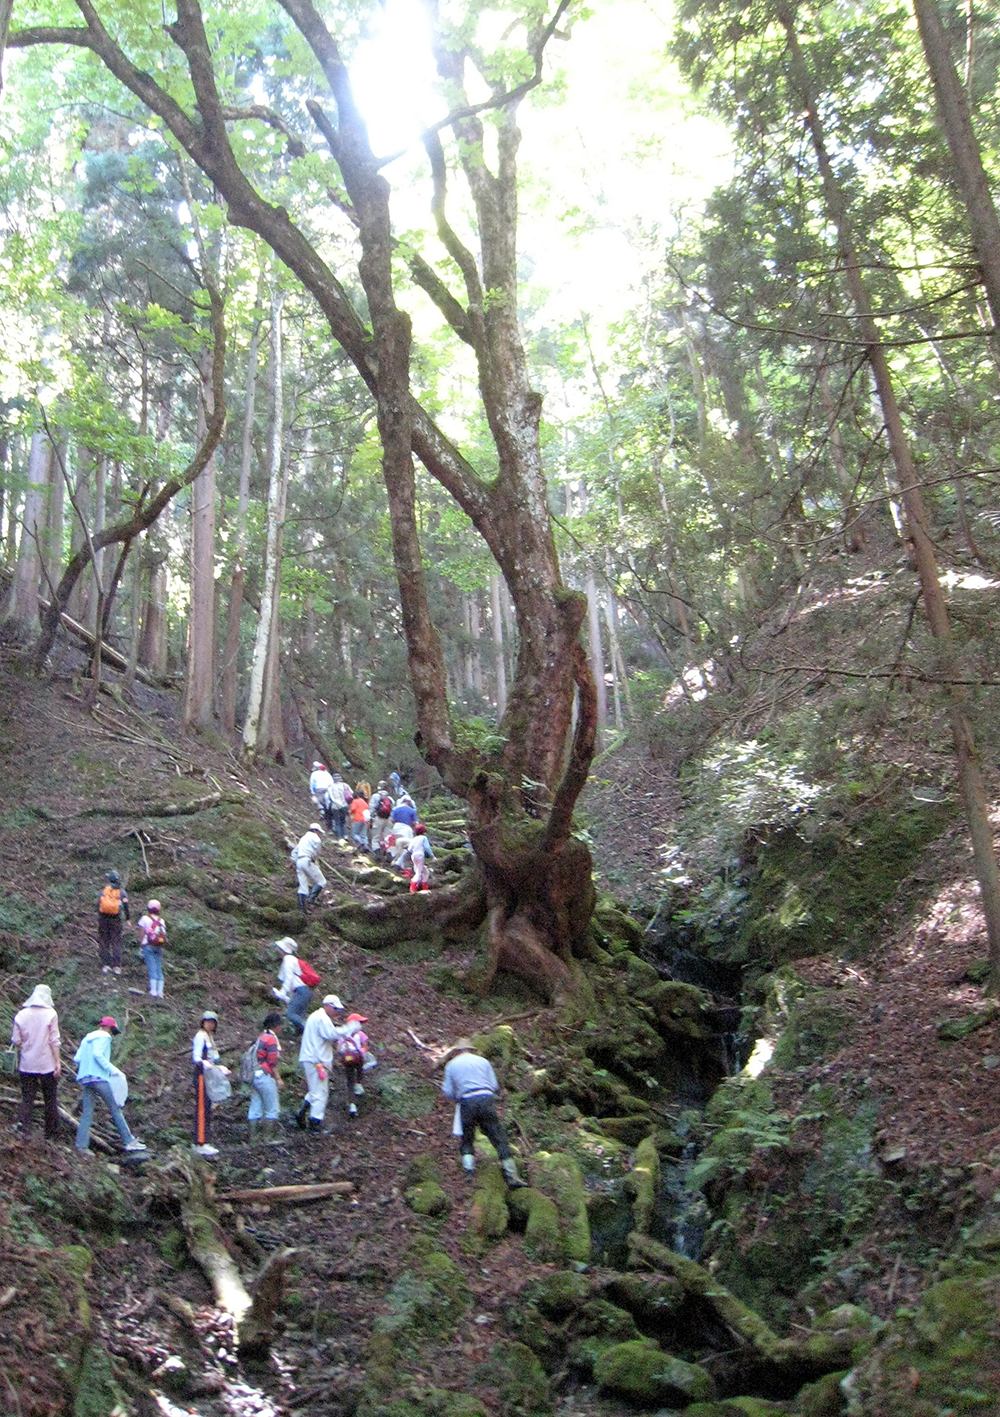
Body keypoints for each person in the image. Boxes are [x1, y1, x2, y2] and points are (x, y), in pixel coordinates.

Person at [441, 1039, 526, 1187]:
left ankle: (469, 1172)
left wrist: (458, 1097)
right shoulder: (483, 1062)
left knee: (467, 1137)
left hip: (466, 1101)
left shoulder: (451, 1065)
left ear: (457, 1051)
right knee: (498, 1136)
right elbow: (494, 1085)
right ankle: (512, 1175)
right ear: (471, 1049)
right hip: (486, 1100)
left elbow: (447, 1090)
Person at [74, 1016, 146, 1154]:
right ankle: (128, 1141)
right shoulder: (105, 1037)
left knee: (87, 1113)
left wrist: (87, 1067)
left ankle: (81, 1146)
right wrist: (113, 1070)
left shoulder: (87, 1038)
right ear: (107, 1027)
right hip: (99, 1078)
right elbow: (98, 1054)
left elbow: (77, 1058)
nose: (111, 1034)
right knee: (115, 1109)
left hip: (86, 1079)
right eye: (112, 1030)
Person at [296, 996, 364, 1133]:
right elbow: (332, 1034)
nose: (337, 1012)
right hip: (316, 1061)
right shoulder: (322, 1018)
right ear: (327, 1005)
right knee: (320, 1093)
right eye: (335, 1009)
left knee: (314, 1089)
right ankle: (314, 1123)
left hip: (310, 1058)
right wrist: (349, 1028)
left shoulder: (315, 1017)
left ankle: (302, 1112)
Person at [11, 984, 61, 1140]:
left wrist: (26, 1047)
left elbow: (16, 1040)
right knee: (50, 1099)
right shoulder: (51, 1014)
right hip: (47, 1064)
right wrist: (57, 1062)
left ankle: (24, 1129)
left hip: (27, 1064)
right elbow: (54, 1040)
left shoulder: (21, 1014)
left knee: (27, 1097)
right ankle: (51, 1134)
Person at [248, 1013, 283, 1140]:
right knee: (272, 1108)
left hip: (254, 1075)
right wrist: (278, 1079)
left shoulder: (261, 1036)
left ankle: (253, 1139)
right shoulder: (271, 1039)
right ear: (276, 1026)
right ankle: (268, 1138)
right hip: (264, 1075)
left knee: (255, 1107)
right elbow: (272, 1062)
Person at [192, 1010, 222, 1158]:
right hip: (202, 1075)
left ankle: (204, 1139)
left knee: (207, 1108)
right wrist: (204, 1063)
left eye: (212, 1023)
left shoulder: (210, 1037)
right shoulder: (200, 1036)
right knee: (202, 1108)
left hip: (209, 1076)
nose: (210, 1025)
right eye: (207, 1022)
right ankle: (200, 1142)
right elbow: (196, 1057)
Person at [271, 936, 314, 1034]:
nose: (277, 950)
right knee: (299, 1017)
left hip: (301, 991)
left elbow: (289, 978)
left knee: (290, 1014)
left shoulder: (288, 959)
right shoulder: (292, 960)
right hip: (305, 991)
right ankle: (303, 1036)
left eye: (279, 948)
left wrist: (282, 992)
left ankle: (311, 1029)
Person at [97, 870, 129, 975]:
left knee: (104, 942)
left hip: (103, 920)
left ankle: (105, 965)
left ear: (109, 880)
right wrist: (128, 919)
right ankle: (116, 967)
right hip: (116, 920)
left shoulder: (104, 891)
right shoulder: (122, 892)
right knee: (116, 942)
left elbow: (98, 905)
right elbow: (126, 907)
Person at [337, 1012, 369, 1117]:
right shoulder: (361, 1034)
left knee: (350, 1081)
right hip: (357, 1058)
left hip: (347, 1059)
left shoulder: (343, 1035)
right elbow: (365, 1047)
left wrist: (344, 1053)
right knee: (360, 1067)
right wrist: (361, 1052)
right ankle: (359, 1084)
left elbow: (338, 1049)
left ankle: (352, 1105)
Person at [292, 823, 327, 914]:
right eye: (319, 832)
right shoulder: (314, 837)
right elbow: (317, 845)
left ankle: (302, 910)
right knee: (322, 882)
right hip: (307, 860)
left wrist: (295, 861)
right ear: (315, 831)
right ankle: (311, 900)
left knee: (303, 886)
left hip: (299, 861)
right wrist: (314, 856)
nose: (319, 834)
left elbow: (294, 852)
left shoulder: (303, 838)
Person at [136, 899, 167, 998]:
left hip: (148, 946)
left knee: (152, 968)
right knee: (158, 968)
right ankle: (160, 992)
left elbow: (141, 933)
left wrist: (141, 946)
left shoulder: (144, 918)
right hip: (159, 946)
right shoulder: (161, 920)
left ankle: (153, 991)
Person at [370, 782, 395, 856]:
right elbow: (393, 809)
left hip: (378, 818)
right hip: (388, 819)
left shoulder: (375, 796)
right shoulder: (390, 798)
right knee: (387, 837)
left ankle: (377, 852)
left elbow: (371, 808)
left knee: (375, 837)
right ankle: (389, 853)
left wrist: (370, 818)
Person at [326, 773, 351, 840]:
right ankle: (345, 835)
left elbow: (329, 797)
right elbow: (351, 793)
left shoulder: (331, 787)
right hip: (344, 805)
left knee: (337, 822)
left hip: (335, 806)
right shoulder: (345, 785)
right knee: (343, 821)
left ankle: (339, 837)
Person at [409, 824, 434, 892]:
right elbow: (427, 847)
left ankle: (424, 886)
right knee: (419, 873)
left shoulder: (414, 839)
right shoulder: (424, 838)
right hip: (420, 855)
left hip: (414, 855)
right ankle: (413, 887)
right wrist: (432, 856)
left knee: (425, 872)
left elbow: (409, 849)